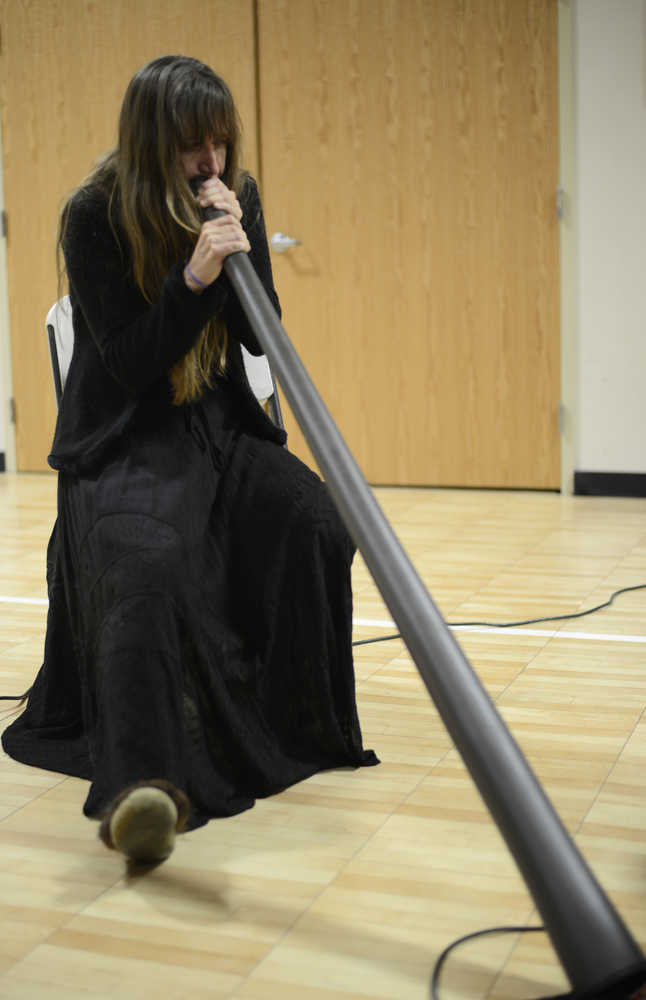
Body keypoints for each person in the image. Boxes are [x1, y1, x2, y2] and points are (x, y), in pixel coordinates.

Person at [2, 55, 377, 865]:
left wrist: (239, 268)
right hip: (128, 434)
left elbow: (256, 338)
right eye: (190, 149)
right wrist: (194, 275)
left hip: (216, 423)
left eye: (219, 145)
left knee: (316, 520)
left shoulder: (235, 194)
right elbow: (132, 363)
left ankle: (285, 720)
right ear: (150, 146)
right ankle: (147, 789)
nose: (210, 165)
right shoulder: (92, 214)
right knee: (147, 565)